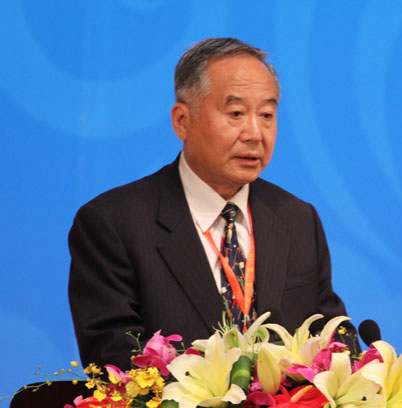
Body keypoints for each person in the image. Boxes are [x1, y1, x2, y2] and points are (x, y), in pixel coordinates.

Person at [68, 38, 355, 370]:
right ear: (182, 121)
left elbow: (333, 340)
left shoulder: (296, 218)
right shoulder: (114, 224)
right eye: (236, 114)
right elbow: (115, 359)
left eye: (267, 115)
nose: (255, 133)